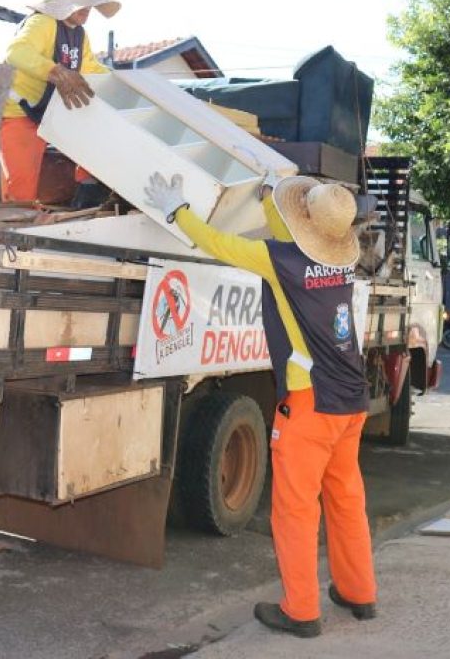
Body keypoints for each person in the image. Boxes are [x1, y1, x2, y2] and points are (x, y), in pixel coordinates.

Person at [144, 170, 377, 639]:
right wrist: (272, 201)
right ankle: (359, 593)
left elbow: (218, 244)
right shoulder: (342, 264)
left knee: (295, 510)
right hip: (351, 400)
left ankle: (301, 610)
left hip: (310, 406)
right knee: (346, 498)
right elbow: (297, 238)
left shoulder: (280, 260)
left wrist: (177, 210)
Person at [0, 0, 120, 206]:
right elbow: (15, 52)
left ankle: (88, 193)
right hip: (20, 113)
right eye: (81, 4)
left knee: (95, 128)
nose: (87, 10)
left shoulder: (79, 34)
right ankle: (14, 233)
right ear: (65, 4)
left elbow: (90, 68)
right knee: (20, 193)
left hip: (52, 112)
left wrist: (121, 81)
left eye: (89, 5)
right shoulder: (42, 23)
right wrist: (55, 71)